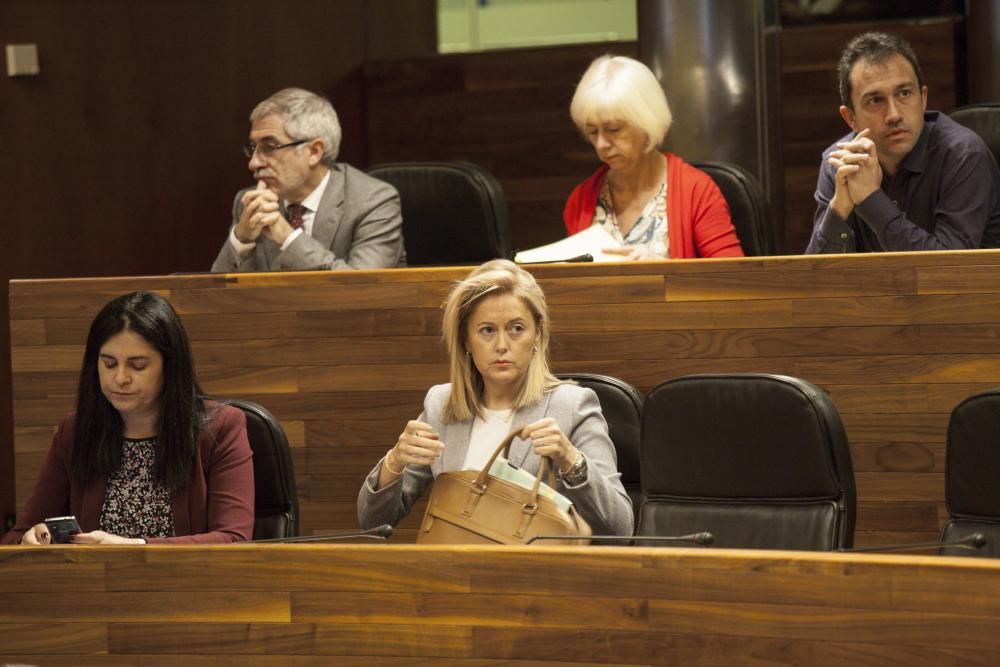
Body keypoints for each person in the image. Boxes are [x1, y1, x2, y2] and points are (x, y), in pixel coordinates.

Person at [357, 260, 633, 536]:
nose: (501, 345)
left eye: (516, 329)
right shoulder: (441, 405)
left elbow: (621, 529)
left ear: (537, 334)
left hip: (536, 572)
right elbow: (372, 521)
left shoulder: (572, 406)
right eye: (487, 330)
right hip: (453, 568)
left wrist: (571, 459)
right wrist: (395, 461)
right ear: (466, 341)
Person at [2, 292, 254, 545]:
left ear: (170, 367)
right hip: (96, 584)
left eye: (138, 365)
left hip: (189, 583)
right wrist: (30, 540)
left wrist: (135, 547)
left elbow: (233, 539)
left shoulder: (222, 427)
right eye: (109, 364)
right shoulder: (76, 431)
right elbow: (15, 539)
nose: (120, 378)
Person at [806, 32, 1000, 253]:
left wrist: (870, 199)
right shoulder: (841, 164)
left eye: (904, 93)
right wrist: (839, 208)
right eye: (876, 100)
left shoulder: (963, 155)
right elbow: (816, 280)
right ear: (850, 117)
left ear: (923, 99)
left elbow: (946, 271)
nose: (894, 114)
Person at [563, 55, 744, 260]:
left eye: (613, 129)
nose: (601, 144)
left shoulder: (696, 191)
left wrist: (662, 270)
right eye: (593, 132)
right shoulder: (582, 200)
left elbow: (733, 282)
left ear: (646, 123)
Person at [212, 87, 405, 272]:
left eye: (269, 147)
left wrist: (287, 238)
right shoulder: (249, 202)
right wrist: (241, 240)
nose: (253, 164)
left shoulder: (372, 201)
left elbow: (363, 289)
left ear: (314, 151)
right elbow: (215, 296)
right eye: (253, 148)